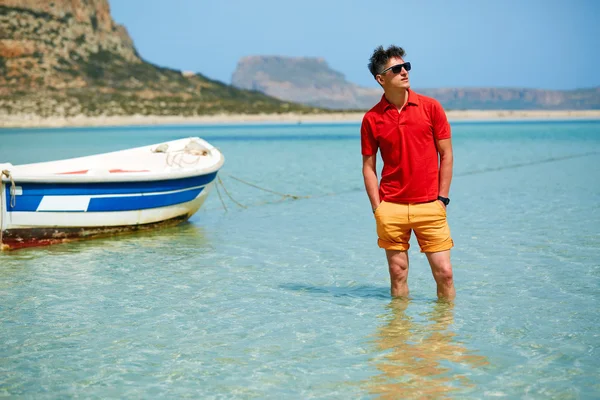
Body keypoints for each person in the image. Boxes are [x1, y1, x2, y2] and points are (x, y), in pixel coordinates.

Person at [361, 45, 455, 299]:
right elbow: (369, 168)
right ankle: (399, 335)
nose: (404, 72)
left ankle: (444, 335)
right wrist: (377, 208)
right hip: (391, 207)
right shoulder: (372, 119)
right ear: (381, 79)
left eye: (406, 66)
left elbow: (446, 155)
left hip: (430, 205)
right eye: (396, 69)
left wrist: (442, 199)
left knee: (444, 273)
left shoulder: (431, 107)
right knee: (398, 272)